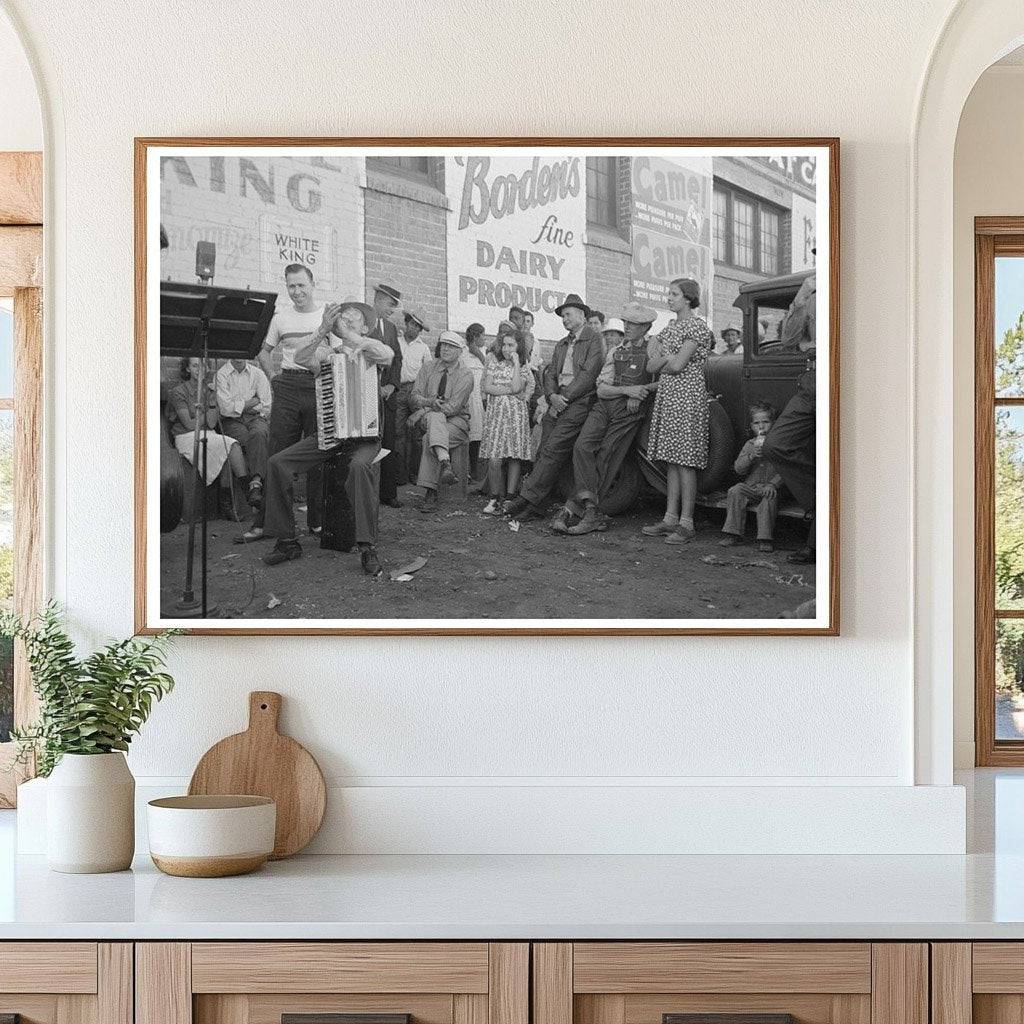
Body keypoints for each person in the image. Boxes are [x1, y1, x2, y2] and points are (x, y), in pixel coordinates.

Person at [261, 300, 393, 577]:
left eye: (354, 317)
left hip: (366, 437)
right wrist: (323, 329)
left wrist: (352, 337)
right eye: (343, 316)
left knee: (359, 467)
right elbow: (300, 357)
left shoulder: (371, 351)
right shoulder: (327, 353)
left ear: (366, 328)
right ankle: (287, 540)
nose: (347, 318)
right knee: (277, 463)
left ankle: (367, 547)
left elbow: (388, 354)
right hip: (331, 433)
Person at [552, 304, 659, 535]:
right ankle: (590, 509)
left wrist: (641, 391)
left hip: (629, 411)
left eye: (633, 324)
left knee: (607, 453)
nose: (627, 327)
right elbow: (602, 389)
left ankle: (574, 509)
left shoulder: (654, 347)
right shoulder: (616, 351)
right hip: (605, 405)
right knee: (582, 447)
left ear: (645, 327)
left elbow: (665, 381)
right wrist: (628, 391)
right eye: (625, 322)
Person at [504, 294, 604, 521]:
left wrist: (562, 399)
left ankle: (527, 498)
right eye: (563, 316)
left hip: (580, 402)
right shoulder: (561, 343)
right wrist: (551, 396)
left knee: (553, 447)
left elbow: (588, 375)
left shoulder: (594, 339)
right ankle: (537, 505)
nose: (564, 319)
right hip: (558, 400)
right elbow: (550, 374)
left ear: (582, 315)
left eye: (568, 314)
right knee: (544, 450)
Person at [243, 264, 325, 542]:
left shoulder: (326, 316)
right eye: (292, 286)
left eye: (301, 285)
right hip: (287, 386)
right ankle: (266, 524)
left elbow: (339, 353)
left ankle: (318, 522)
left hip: (318, 385)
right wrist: (273, 377)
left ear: (312, 284)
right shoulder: (281, 318)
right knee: (276, 456)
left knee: (319, 454)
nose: (297, 291)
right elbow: (263, 352)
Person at [641, 277, 715, 545]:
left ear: (688, 298)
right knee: (672, 460)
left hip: (687, 397)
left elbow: (677, 365)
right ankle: (670, 518)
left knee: (685, 461)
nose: (669, 298)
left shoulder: (697, 326)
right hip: (669, 396)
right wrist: (667, 358)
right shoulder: (671, 327)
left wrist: (666, 359)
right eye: (669, 293)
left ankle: (687, 523)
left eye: (674, 294)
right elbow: (650, 366)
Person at [763, 269, 817, 563]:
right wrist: (802, 297)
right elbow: (789, 339)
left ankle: (816, 542)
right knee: (775, 445)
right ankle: (819, 502)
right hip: (812, 376)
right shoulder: (811, 292)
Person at [166, 358, 250, 519]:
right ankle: (248, 491)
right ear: (188, 369)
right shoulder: (179, 391)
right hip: (186, 436)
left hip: (208, 434)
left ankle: (227, 505)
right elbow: (189, 425)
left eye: (203, 366)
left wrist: (212, 403)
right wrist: (204, 415)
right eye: (195, 365)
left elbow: (211, 424)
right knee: (231, 445)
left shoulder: (209, 391)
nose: (200, 369)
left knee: (227, 450)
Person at [410, 331, 474, 513]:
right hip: (431, 420)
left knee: (428, 438)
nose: (445, 349)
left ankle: (430, 492)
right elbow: (414, 397)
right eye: (444, 344)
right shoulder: (428, 367)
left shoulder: (466, 374)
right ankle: (445, 464)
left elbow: (452, 408)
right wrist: (430, 402)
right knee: (435, 418)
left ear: (460, 351)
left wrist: (424, 409)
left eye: (451, 346)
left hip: (457, 423)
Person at [479, 329, 532, 513]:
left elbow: (518, 386)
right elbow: (487, 387)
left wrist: (516, 363)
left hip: (515, 415)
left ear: (519, 346)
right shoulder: (494, 361)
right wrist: (509, 391)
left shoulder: (523, 365)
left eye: (511, 345)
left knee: (513, 456)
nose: (506, 349)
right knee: (494, 458)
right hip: (496, 415)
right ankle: (494, 497)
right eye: (504, 344)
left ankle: (509, 498)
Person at [720, 403, 784, 554]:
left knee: (768, 499)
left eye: (765, 422)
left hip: (771, 489)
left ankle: (765, 538)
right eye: (756, 423)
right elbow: (738, 469)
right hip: (752, 488)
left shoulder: (779, 444)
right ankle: (733, 533)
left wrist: (773, 484)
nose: (761, 426)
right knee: (735, 490)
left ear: (773, 423)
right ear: (751, 426)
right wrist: (751, 456)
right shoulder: (749, 444)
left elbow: (786, 470)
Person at [215, 358, 271, 509]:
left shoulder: (257, 374)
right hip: (231, 421)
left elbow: (266, 405)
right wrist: (253, 401)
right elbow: (225, 409)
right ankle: (255, 489)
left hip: (256, 418)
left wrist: (238, 406)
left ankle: (256, 483)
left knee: (260, 433)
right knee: (251, 441)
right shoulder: (222, 375)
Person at [368, 283, 404, 508]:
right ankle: (367, 493)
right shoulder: (363, 323)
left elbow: (397, 359)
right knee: (367, 445)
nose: (392, 310)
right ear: (378, 299)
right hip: (367, 397)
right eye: (390, 304)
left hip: (387, 398)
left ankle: (388, 493)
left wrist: (392, 385)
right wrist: (374, 387)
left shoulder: (390, 328)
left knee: (388, 443)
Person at [395, 308, 432, 486]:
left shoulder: (423, 348)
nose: (414, 328)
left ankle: (416, 473)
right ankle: (400, 475)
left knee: (418, 434)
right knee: (398, 433)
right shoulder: (396, 342)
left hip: (417, 391)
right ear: (406, 323)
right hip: (399, 389)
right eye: (412, 324)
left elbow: (429, 374)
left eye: (418, 327)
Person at [461, 323, 487, 482]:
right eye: (483, 335)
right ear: (476, 336)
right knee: (467, 434)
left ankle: (477, 470)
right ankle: (466, 471)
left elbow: (490, 369)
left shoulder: (485, 352)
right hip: (467, 397)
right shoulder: (462, 352)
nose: (485, 338)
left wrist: (478, 353)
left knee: (479, 434)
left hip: (480, 397)